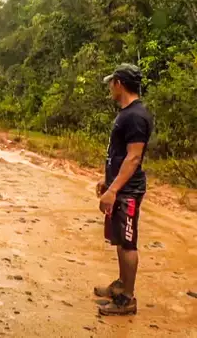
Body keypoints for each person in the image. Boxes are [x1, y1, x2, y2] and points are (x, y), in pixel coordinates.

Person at [94, 64, 153, 315]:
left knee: (128, 242)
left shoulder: (136, 116)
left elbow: (133, 158)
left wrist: (114, 190)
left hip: (128, 191)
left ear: (119, 83)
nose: (110, 88)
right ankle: (121, 284)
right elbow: (118, 154)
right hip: (120, 187)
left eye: (111, 83)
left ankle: (127, 298)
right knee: (119, 239)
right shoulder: (127, 113)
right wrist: (108, 182)